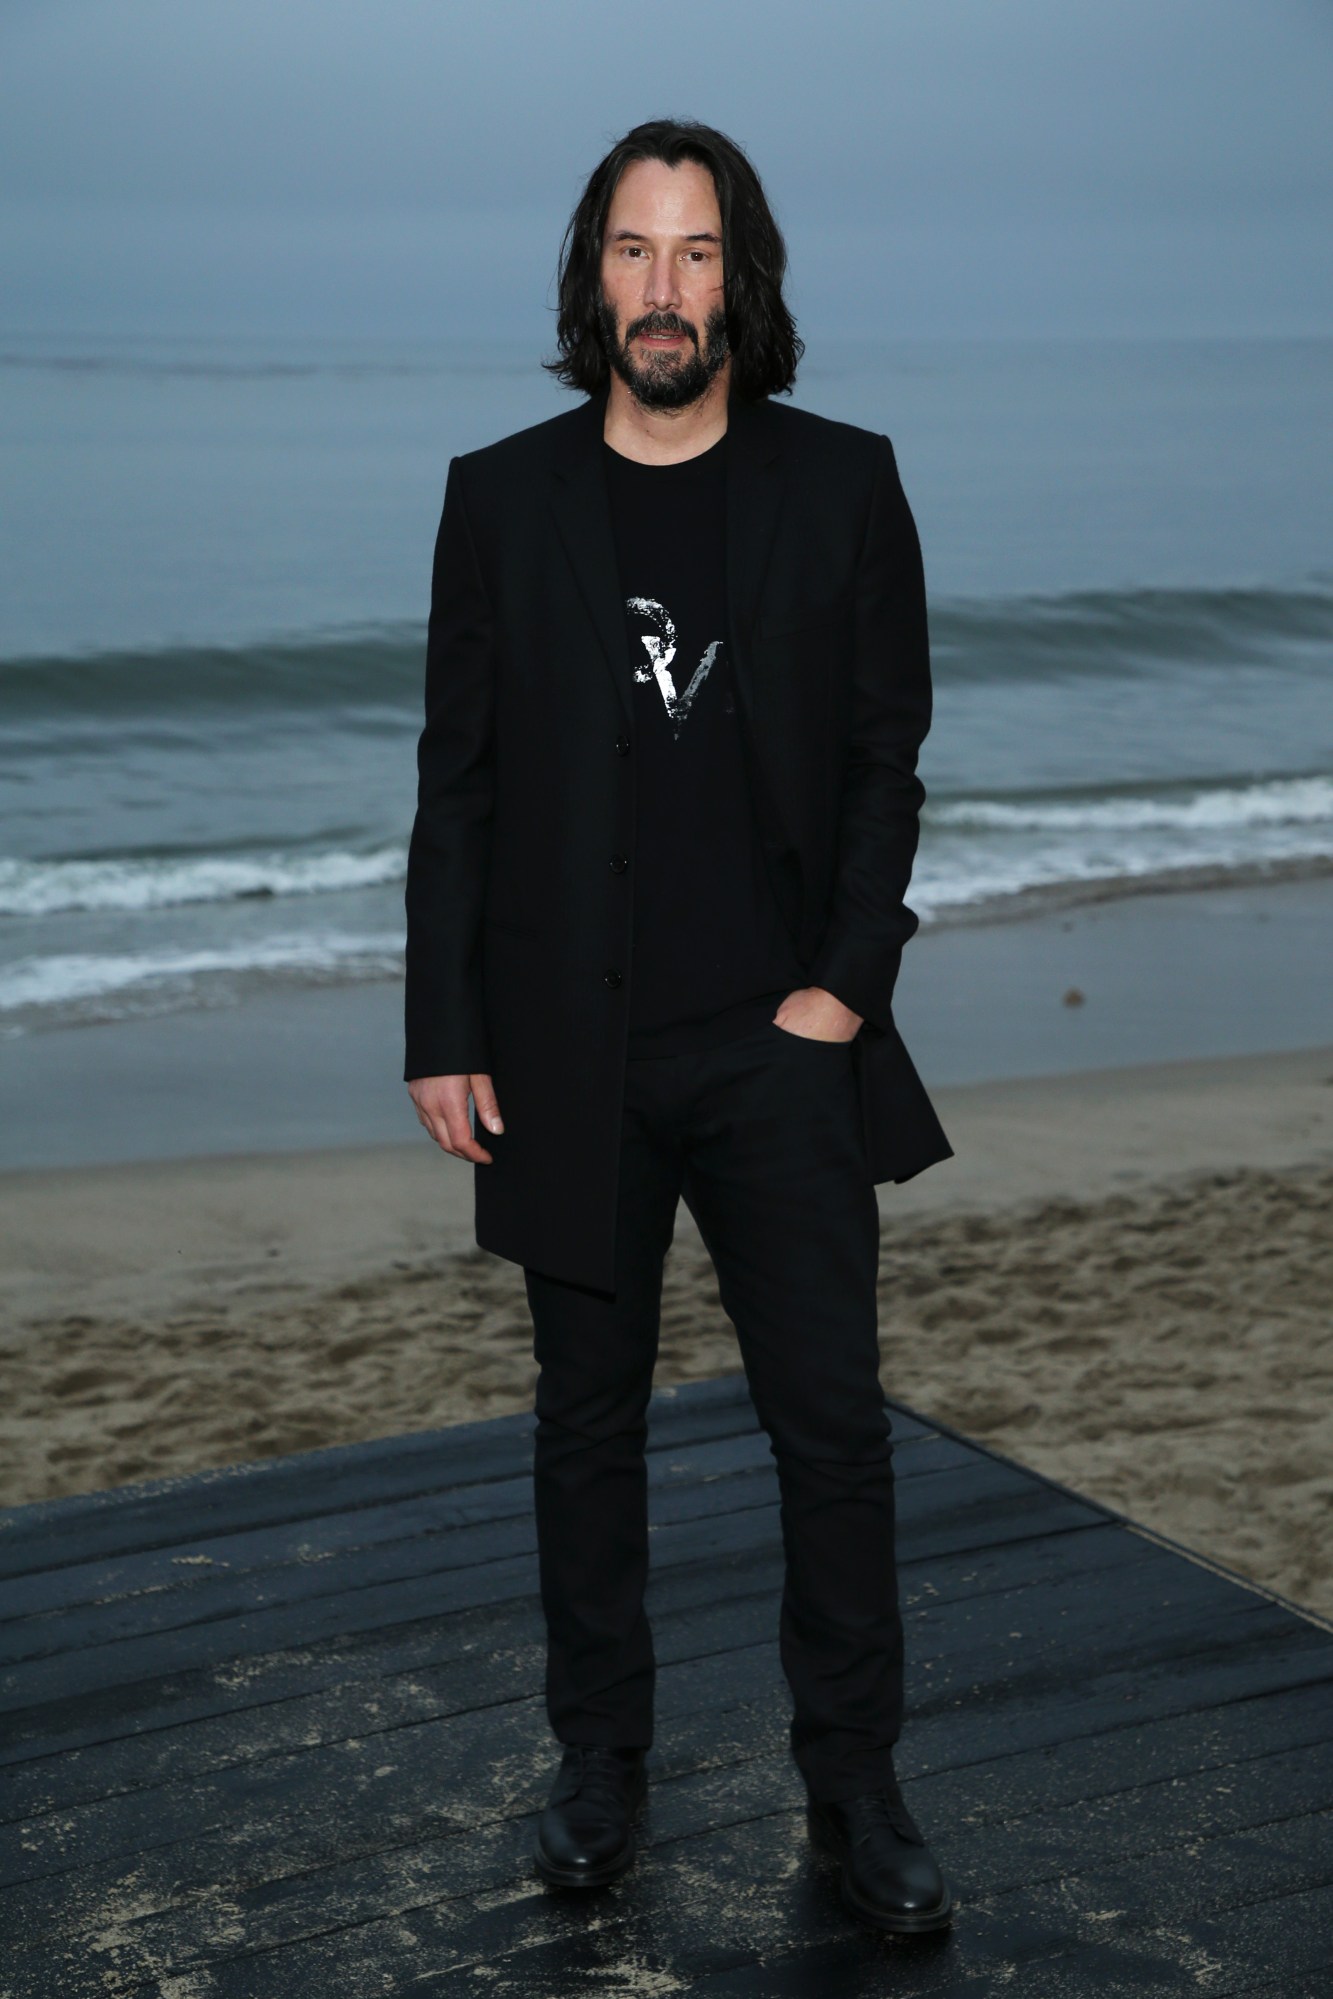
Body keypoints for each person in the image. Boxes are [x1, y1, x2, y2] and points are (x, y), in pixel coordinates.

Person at [404, 118, 954, 1935]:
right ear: (590, 280)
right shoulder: (500, 498)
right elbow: (459, 789)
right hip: (571, 1053)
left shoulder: (843, 482)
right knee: (585, 1431)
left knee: (832, 1433)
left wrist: (842, 986)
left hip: (780, 1049)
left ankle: (855, 1796)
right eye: (633, 252)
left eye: (696, 253)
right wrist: (443, 1027)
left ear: (743, 280)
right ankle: (600, 1776)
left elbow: (887, 759)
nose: (663, 288)